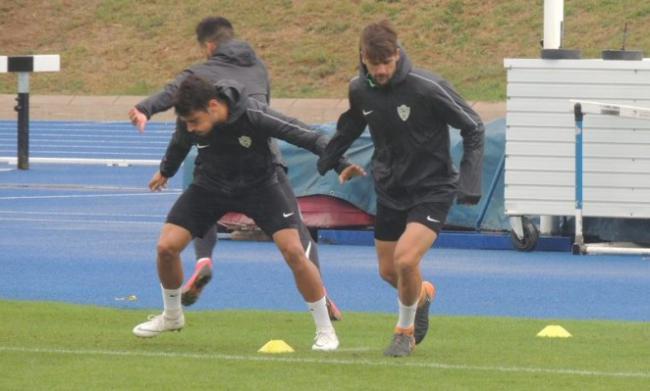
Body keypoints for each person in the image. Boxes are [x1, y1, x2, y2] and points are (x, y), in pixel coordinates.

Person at [128, 16, 342, 320]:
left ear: (210, 46)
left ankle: (204, 259)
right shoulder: (258, 68)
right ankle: (322, 295)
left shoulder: (203, 72)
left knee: (202, 205)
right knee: (296, 237)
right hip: (260, 158)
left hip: (219, 159)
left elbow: (174, 91)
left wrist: (145, 109)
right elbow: (276, 119)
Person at [132, 76, 353, 350]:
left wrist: (341, 163)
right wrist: (166, 171)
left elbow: (307, 136)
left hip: (260, 186)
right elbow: (180, 143)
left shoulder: (253, 114)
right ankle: (172, 316)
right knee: (166, 246)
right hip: (209, 185)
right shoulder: (189, 118)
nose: (190, 128)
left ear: (213, 106)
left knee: (294, 252)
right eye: (186, 122)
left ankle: (325, 330)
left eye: (194, 122)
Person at [317, 20, 484, 357]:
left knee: (406, 260)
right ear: (363, 57)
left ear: (397, 54)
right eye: (374, 64)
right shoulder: (359, 88)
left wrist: (469, 181)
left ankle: (404, 331)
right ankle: (422, 295)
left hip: (432, 187)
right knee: (388, 271)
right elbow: (351, 124)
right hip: (391, 188)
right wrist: (331, 160)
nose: (380, 71)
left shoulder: (426, 87)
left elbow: (474, 127)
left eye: (386, 63)